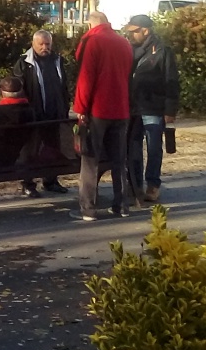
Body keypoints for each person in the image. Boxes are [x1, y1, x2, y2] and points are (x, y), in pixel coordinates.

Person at [71, 12, 133, 222]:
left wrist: (80, 107)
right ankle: (121, 205)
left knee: (90, 160)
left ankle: (88, 209)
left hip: (98, 110)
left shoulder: (93, 41)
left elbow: (86, 78)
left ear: (91, 23)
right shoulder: (124, 42)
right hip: (121, 109)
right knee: (119, 160)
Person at [124, 15, 179, 204]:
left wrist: (170, 110)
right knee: (133, 148)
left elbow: (171, 81)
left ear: (145, 30)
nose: (130, 34)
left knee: (154, 148)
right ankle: (135, 185)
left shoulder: (163, 51)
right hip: (133, 107)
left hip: (154, 108)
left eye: (134, 31)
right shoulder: (129, 50)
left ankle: (153, 185)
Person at [12, 29, 71, 197]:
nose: (45, 47)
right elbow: (19, 90)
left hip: (55, 114)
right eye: (41, 44)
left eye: (48, 44)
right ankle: (28, 184)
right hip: (35, 116)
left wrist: (64, 108)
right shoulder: (24, 63)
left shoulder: (57, 60)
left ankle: (51, 180)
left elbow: (64, 86)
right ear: (33, 44)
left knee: (53, 149)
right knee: (30, 151)